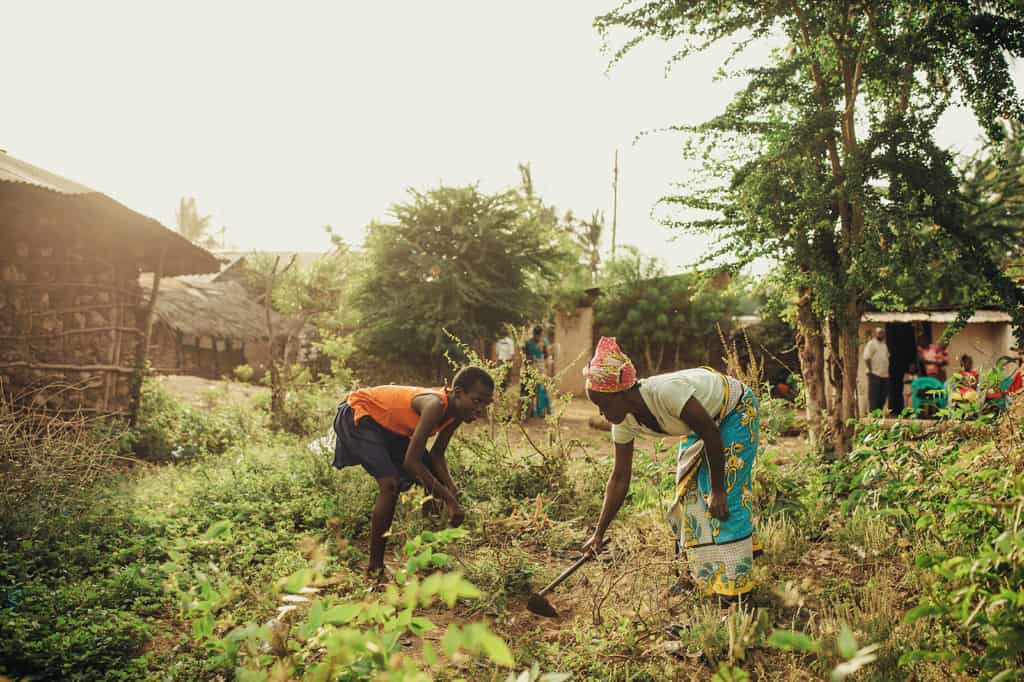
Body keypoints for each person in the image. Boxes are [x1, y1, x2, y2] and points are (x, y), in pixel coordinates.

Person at [581, 337, 761, 604]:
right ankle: (696, 575)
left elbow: (712, 435)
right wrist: (599, 533)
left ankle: (738, 589)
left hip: (734, 409)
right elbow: (619, 478)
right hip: (703, 423)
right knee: (687, 492)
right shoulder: (623, 422)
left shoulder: (665, 393)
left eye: (604, 405)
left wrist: (717, 489)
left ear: (622, 393)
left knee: (726, 495)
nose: (603, 414)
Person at [330, 367, 494, 579]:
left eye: (486, 404)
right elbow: (411, 462)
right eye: (477, 401)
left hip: (386, 426)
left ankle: (429, 558)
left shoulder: (457, 413)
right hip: (359, 412)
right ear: (458, 392)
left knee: (432, 476)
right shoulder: (435, 405)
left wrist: (451, 489)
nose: (480, 410)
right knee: (390, 485)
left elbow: (437, 455)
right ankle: (375, 569)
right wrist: (449, 499)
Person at [521, 325, 551, 418]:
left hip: (540, 368)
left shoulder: (543, 343)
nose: (538, 337)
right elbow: (525, 357)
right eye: (537, 335)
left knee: (541, 390)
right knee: (530, 390)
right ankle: (530, 411)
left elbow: (546, 356)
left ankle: (541, 411)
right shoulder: (528, 343)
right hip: (531, 368)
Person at [863, 327, 890, 413]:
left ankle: (879, 413)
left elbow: (886, 358)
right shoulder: (871, 344)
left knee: (883, 395)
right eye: (879, 333)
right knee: (874, 396)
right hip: (875, 374)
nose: (881, 334)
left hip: (884, 375)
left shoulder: (884, 345)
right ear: (875, 334)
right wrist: (870, 370)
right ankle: (873, 414)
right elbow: (866, 357)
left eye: (882, 333)